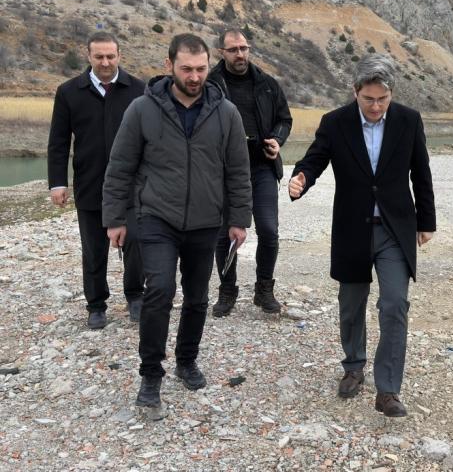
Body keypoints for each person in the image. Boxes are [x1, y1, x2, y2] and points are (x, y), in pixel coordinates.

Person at [102, 34, 252, 408]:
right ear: (169, 65)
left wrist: (238, 219)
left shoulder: (226, 113)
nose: (195, 76)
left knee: (198, 297)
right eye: (187, 69)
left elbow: (238, 171)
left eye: (201, 69)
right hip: (156, 217)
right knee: (160, 290)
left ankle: (186, 360)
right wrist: (115, 219)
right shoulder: (141, 109)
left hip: (206, 221)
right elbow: (120, 167)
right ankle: (151, 374)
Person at [288, 54, 436, 417]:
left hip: (394, 229)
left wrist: (426, 221)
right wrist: (301, 178)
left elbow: (421, 172)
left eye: (382, 99)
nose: (376, 106)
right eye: (369, 98)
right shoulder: (335, 122)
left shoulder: (408, 120)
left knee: (395, 304)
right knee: (351, 303)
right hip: (352, 227)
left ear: (391, 94)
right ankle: (353, 366)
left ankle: (388, 390)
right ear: (355, 91)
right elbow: (315, 159)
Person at [47, 31, 145, 329]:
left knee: (136, 241)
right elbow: (59, 141)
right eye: (99, 56)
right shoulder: (68, 92)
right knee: (93, 249)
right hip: (90, 183)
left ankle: (136, 296)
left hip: (132, 186)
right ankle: (96, 305)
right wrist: (57, 183)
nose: (105, 62)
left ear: (119, 56)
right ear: (88, 55)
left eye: (110, 56)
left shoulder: (138, 90)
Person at [208, 28, 293, 317]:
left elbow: (284, 119)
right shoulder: (211, 85)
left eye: (244, 48)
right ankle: (227, 290)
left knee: (269, 230)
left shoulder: (267, 83)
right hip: (224, 170)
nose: (240, 54)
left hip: (262, 167)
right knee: (224, 234)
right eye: (233, 49)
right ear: (222, 52)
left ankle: (264, 289)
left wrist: (277, 140)